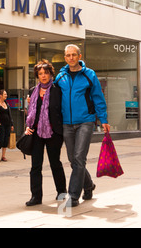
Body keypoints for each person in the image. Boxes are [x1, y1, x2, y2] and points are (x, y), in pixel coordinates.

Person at [56, 44, 110, 207]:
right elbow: (51, 96)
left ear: (79, 56)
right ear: (65, 57)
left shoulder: (89, 75)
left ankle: (73, 196)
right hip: (67, 123)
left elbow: (98, 98)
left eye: (74, 55)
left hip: (86, 121)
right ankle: (88, 185)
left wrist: (103, 119)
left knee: (79, 158)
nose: (71, 58)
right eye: (68, 55)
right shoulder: (61, 77)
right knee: (73, 160)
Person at [24, 60, 67, 206]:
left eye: (46, 73)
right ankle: (36, 197)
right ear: (37, 75)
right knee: (35, 165)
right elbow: (30, 112)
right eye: (40, 73)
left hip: (53, 132)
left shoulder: (57, 89)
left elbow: (62, 110)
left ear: (50, 74)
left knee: (55, 163)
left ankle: (62, 192)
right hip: (36, 132)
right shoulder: (32, 91)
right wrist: (27, 126)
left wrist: (61, 130)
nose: (43, 76)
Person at [0, 89, 14, 162]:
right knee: (1, 140)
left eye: (6, 94)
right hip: (1, 125)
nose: (6, 95)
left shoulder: (7, 104)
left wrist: (12, 124)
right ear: (0, 95)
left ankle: (3, 156)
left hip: (7, 124)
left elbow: (10, 115)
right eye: (5, 94)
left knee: (6, 140)